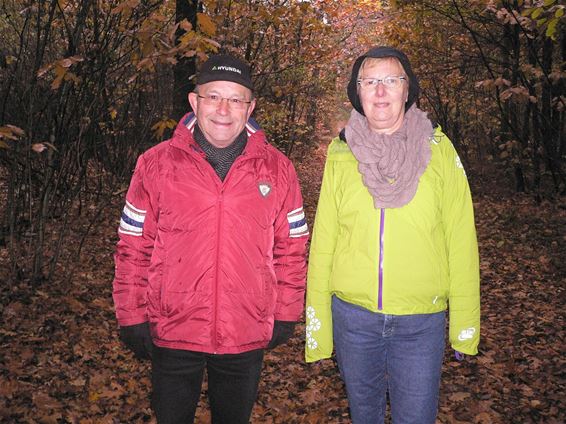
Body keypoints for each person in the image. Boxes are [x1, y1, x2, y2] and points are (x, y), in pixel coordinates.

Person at [113, 54, 309, 423]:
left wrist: (286, 312)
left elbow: (292, 249)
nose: (223, 109)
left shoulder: (278, 168)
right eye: (213, 96)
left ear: (250, 107)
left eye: (236, 99)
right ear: (194, 101)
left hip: (245, 328)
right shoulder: (154, 164)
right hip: (172, 326)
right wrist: (131, 313)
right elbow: (133, 246)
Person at [304, 46, 480, 423]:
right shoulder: (340, 154)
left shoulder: (441, 151)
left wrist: (465, 327)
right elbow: (323, 244)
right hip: (354, 320)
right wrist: (318, 328)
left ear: (407, 90)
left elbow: (461, 241)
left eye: (391, 80)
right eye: (370, 81)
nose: (380, 90)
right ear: (358, 92)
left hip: (421, 323)